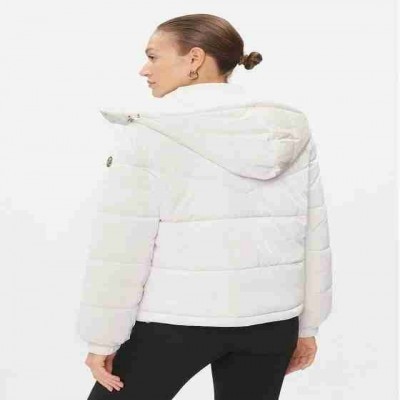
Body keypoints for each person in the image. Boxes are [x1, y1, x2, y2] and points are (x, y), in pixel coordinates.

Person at [76, 13, 333, 400]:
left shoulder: (147, 133)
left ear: (194, 59)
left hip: (174, 322)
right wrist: (308, 326)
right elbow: (314, 234)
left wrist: (103, 337)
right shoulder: (287, 130)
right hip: (272, 325)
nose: (144, 69)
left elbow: (122, 248)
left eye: (153, 57)